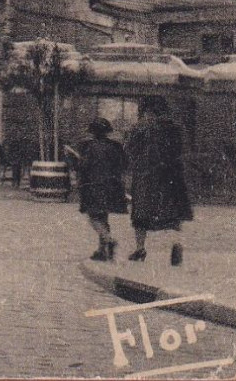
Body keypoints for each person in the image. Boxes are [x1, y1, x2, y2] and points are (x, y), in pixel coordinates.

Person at [126, 96, 194, 266]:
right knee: (174, 215)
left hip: (147, 177)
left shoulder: (141, 128)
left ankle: (140, 249)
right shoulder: (176, 128)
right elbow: (183, 150)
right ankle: (176, 243)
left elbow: (128, 150)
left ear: (148, 111)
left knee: (140, 216)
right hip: (172, 176)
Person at [76, 117, 128, 261]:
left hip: (93, 186)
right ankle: (102, 251)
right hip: (113, 186)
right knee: (104, 217)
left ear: (93, 132)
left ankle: (108, 240)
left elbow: (83, 166)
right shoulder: (116, 147)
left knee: (93, 217)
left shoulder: (88, 147)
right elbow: (124, 165)